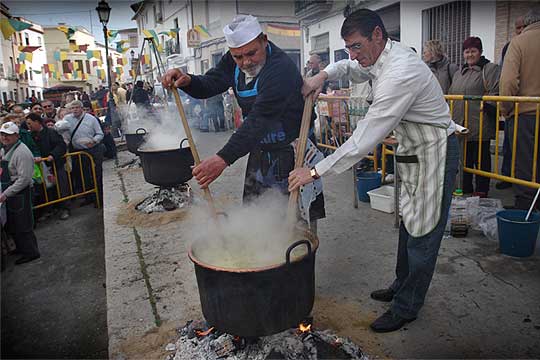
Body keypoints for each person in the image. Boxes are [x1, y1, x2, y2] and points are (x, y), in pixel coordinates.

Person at [290, 9, 459, 332]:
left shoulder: (400, 72)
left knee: (424, 232)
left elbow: (364, 138)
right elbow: (349, 68)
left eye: (356, 46)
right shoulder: (377, 58)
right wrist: (322, 75)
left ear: (378, 36)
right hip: (413, 150)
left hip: (435, 152)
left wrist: (314, 172)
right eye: (349, 48)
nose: (353, 55)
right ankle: (401, 284)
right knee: (410, 221)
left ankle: (407, 306)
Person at [162, 14, 325, 226]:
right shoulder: (233, 60)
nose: (246, 62)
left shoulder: (280, 68)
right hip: (259, 148)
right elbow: (213, 81)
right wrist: (188, 81)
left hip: (291, 152)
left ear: (264, 41)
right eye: (238, 57)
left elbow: (260, 119)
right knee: (256, 219)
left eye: (251, 53)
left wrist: (222, 159)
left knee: (293, 225)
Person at [448, 36, 500, 198]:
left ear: (480, 52)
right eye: (467, 51)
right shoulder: (459, 73)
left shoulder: (489, 69)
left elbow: (495, 93)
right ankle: (466, 187)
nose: (470, 55)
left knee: (481, 158)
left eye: (473, 51)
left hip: (480, 123)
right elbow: (451, 93)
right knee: (464, 158)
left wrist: (486, 110)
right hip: (460, 123)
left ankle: (482, 190)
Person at [500, 9, 540, 209]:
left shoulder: (519, 42)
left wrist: (505, 108)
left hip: (526, 115)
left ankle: (526, 210)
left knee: (525, 165)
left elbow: (508, 82)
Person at [0, 122, 40, 265]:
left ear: (16, 135)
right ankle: (22, 248)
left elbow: (24, 179)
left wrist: (6, 193)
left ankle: (31, 252)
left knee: (23, 224)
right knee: (14, 223)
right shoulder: (5, 149)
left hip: (21, 192)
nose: (5, 138)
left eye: (8, 135)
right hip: (11, 192)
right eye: (3, 135)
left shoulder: (22, 152)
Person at [497, 15, 526, 190]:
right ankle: (508, 177)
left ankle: (525, 199)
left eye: (523, 27)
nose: (520, 31)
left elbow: (507, 80)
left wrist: (505, 105)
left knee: (524, 154)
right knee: (509, 147)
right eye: (517, 28)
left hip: (521, 109)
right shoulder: (510, 46)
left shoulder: (516, 45)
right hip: (516, 109)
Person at [26, 113, 70, 220]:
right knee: (46, 190)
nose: (29, 126)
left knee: (62, 187)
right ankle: (49, 209)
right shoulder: (31, 136)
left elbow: (61, 146)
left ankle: (65, 209)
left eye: (30, 123)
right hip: (41, 168)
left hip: (56, 165)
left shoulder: (51, 132)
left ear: (37, 122)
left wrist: (52, 155)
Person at [63, 100, 104, 206]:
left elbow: (100, 133)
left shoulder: (91, 119)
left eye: (77, 107)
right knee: (82, 175)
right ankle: (88, 197)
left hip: (92, 150)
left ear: (82, 108)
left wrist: (94, 141)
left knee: (95, 174)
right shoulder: (67, 119)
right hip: (77, 152)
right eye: (72, 108)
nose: (75, 110)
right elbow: (62, 131)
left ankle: (98, 198)